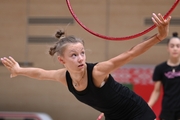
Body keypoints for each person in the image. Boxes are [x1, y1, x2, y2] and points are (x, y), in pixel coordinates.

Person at [1, 13, 171, 120]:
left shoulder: (97, 72)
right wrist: (18, 70)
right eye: (74, 55)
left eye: (82, 53)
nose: (81, 58)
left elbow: (130, 54)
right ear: (62, 61)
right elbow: (40, 73)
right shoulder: (64, 77)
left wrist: (159, 37)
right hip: (113, 115)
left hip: (136, 113)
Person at [148, 32, 180, 120]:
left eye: (178, 46)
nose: (175, 49)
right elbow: (156, 91)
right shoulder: (160, 68)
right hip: (167, 110)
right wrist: (148, 105)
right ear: (167, 48)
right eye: (172, 46)